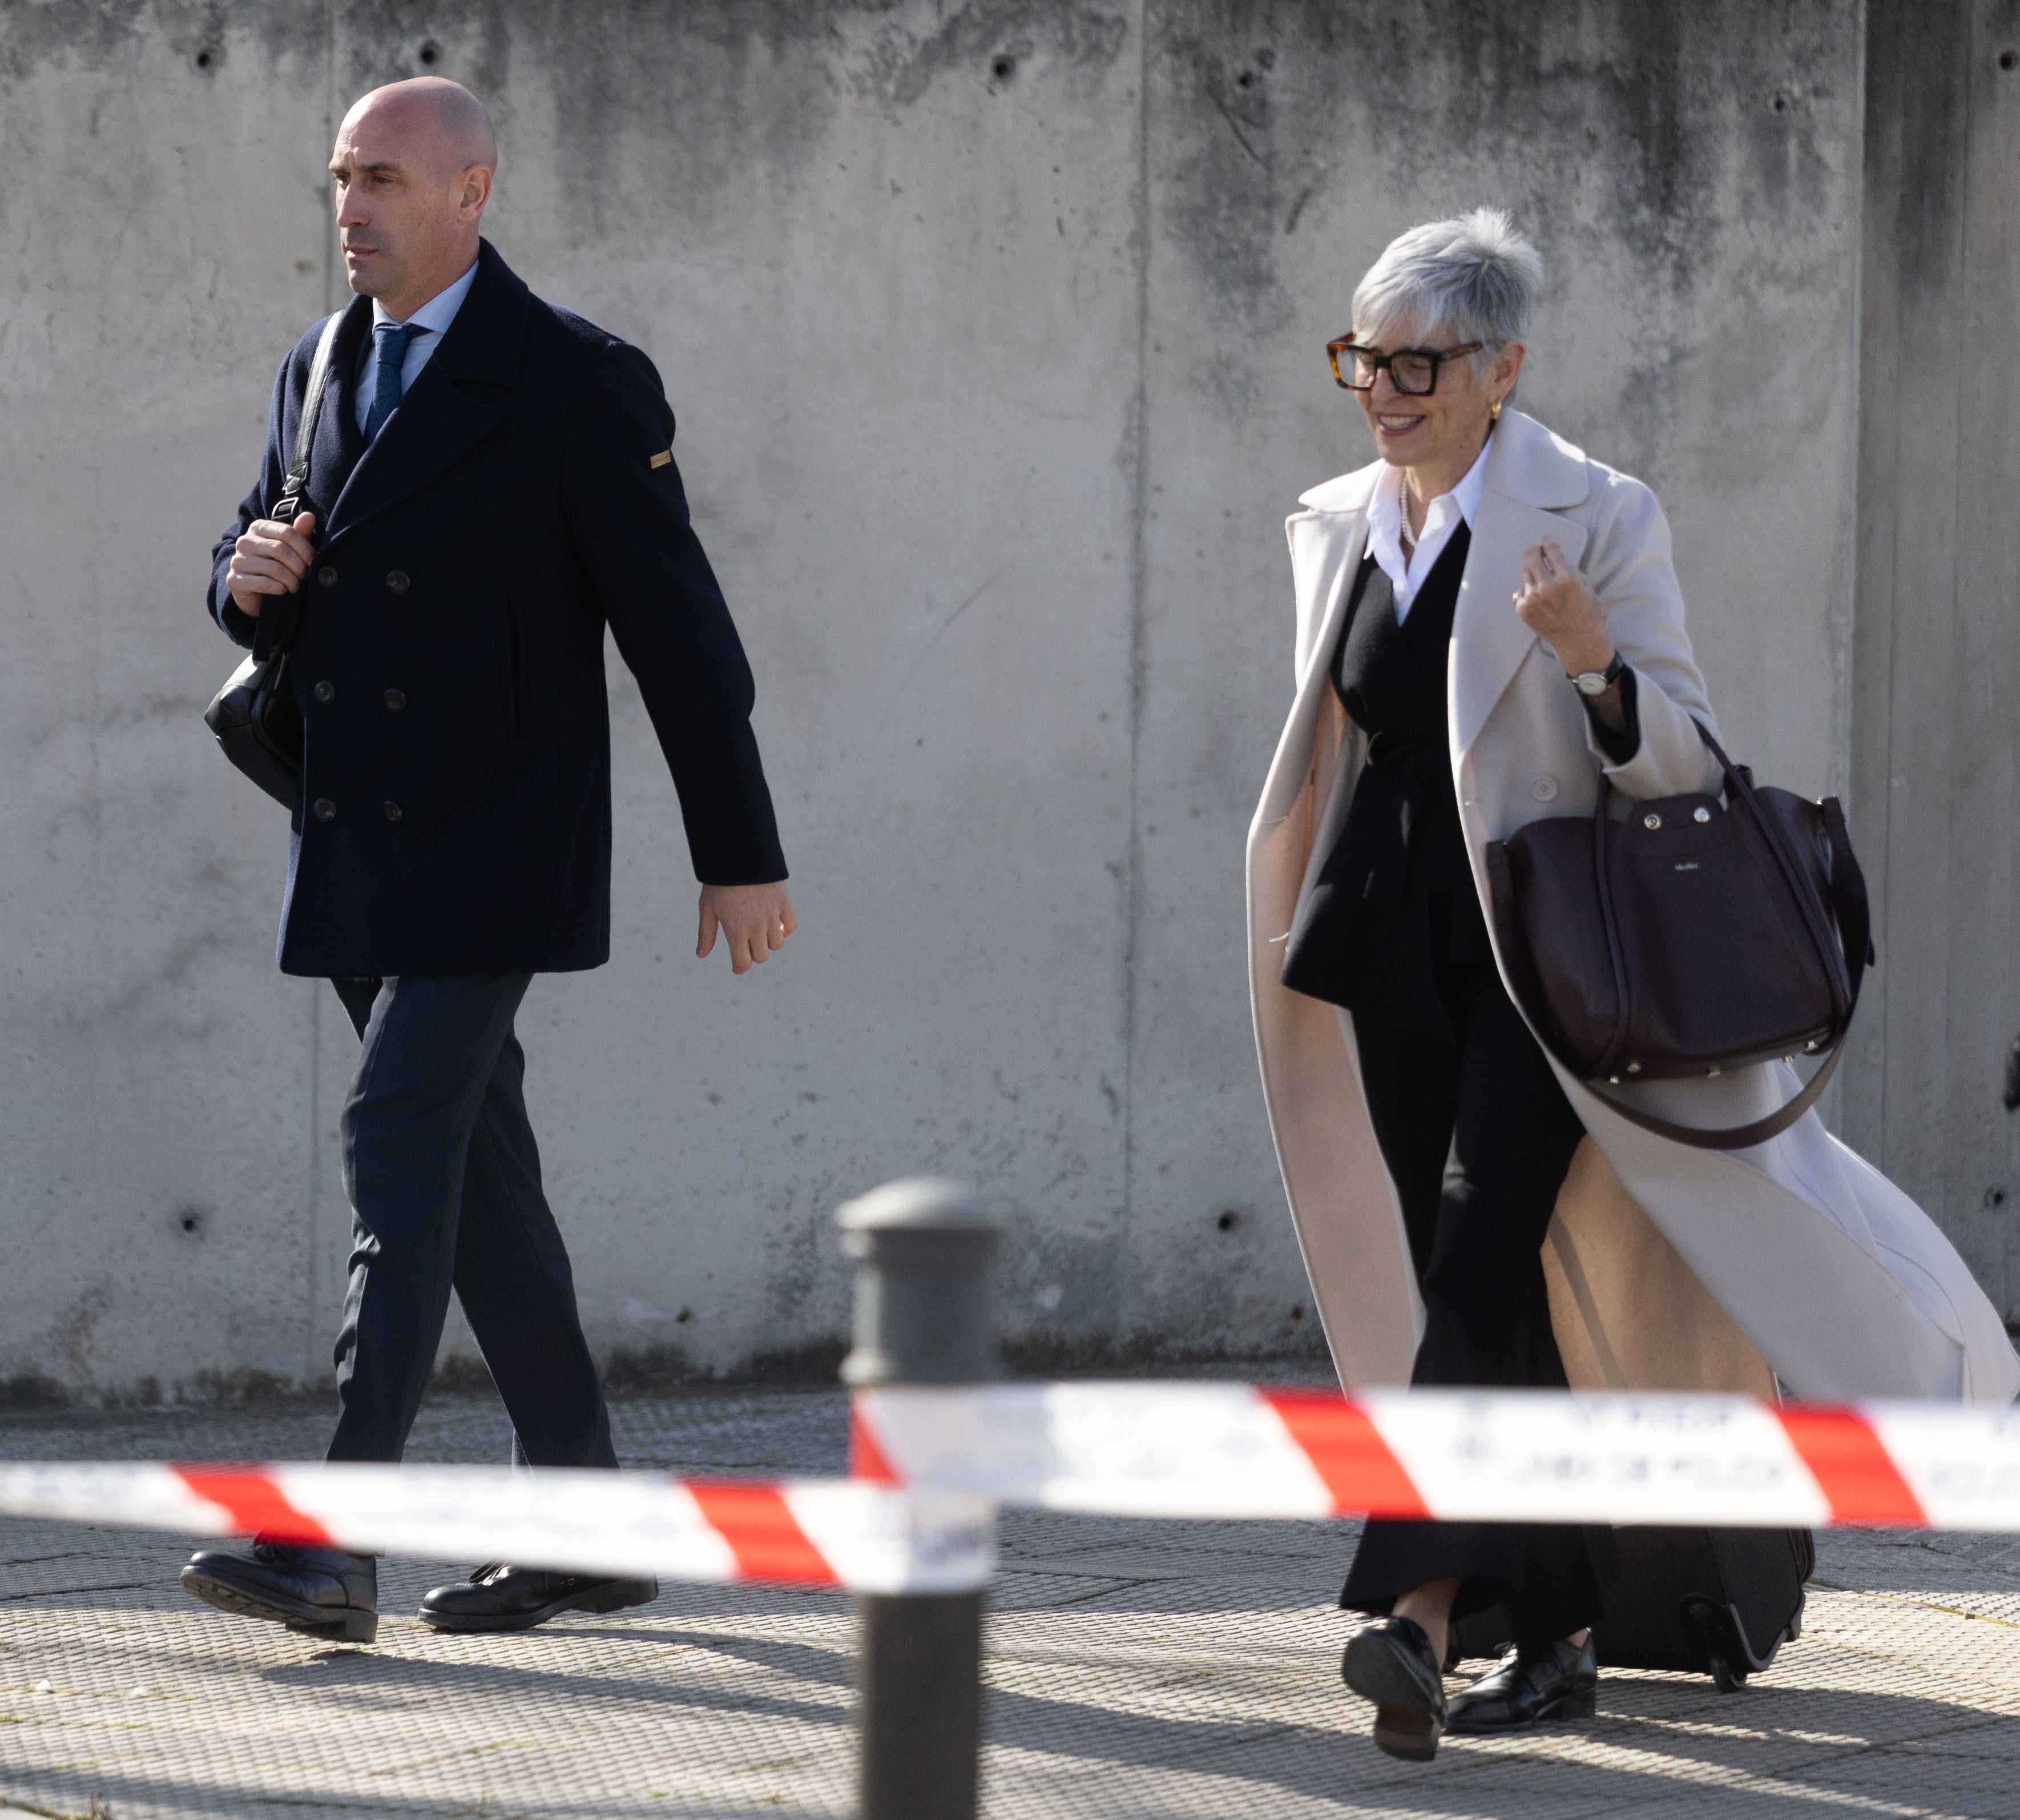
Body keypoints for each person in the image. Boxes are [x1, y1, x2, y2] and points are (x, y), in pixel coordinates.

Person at [1245, 209, 2019, 1761]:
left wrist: (1593, 663)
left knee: (1471, 1263)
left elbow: (1681, 754)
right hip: (1381, 947)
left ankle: (1416, 1612)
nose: (1382, 389)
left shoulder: (1595, 513)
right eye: (1361, 359)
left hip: (1545, 969)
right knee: (1488, 1287)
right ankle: (1561, 1634)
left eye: (1415, 361)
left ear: (1499, 366)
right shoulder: (1336, 517)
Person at [181, 78, 796, 1644]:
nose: (350, 208)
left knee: (398, 1140)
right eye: (339, 178)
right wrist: (247, 577)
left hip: (497, 844)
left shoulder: (577, 381)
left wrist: (737, 852)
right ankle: (584, 1524)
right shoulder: (317, 363)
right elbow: (265, 555)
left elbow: (681, 637)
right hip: (355, 837)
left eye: (381, 179)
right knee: (482, 1180)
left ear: (473, 192)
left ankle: (328, 1538)